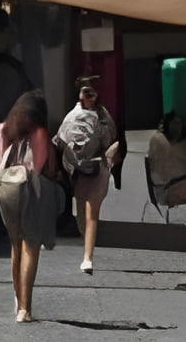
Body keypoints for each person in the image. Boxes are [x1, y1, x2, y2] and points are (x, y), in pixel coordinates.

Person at [0, 89, 60, 323]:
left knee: (15, 245)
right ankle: (25, 308)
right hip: (28, 189)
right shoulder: (39, 133)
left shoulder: (2, 130)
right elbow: (38, 169)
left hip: (5, 190)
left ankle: (17, 297)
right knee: (31, 245)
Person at [54, 78, 122, 275]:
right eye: (85, 91)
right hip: (80, 171)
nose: (88, 96)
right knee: (83, 212)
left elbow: (112, 138)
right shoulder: (73, 116)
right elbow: (62, 141)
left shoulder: (103, 115)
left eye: (92, 92)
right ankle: (87, 247)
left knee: (92, 213)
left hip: (98, 166)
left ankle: (88, 257)